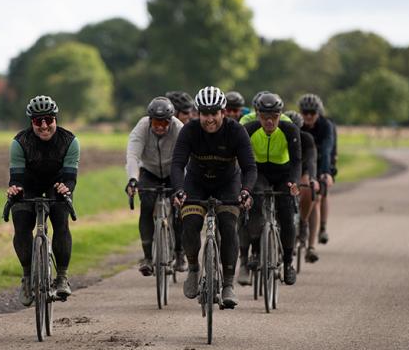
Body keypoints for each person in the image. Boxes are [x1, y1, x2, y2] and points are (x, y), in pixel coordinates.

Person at [171, 86, 256, 308]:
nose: (209, 119)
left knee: (228, 225)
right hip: (196, 182)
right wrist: (179, 189)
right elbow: (178, 164)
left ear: (223, 112)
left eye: (214, 113)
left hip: (228, 183)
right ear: (198, 113)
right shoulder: (189, 130)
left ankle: (228, 284)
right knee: (190, 223)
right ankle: (193, 269)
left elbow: (249, 167)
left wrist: (246, 191)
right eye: (205, 113)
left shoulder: (236, 131)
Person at [7, 95, 80, 306]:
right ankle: (28, 278)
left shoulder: (70, 141)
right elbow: (17, 178)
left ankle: (62, 277)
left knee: (61, 223)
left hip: (57, 184)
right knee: (21, 226)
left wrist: (66, 187)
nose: (44, 125)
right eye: (38, 121)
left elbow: (70, 177)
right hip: (28, 184)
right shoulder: (20, 142)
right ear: (32, 123)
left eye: (48, 119)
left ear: (55, 119)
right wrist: (15, 190)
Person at [238, 93, 301, 286]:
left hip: (283, 174)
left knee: (287, 214)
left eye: (274, 116)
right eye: (265, 116)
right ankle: (255, 252)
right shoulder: (248, 128)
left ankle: (288, 262)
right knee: (254, 205)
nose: (269, 120)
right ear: (257, 114)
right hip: (259, 172)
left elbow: (297, 160)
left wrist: (293, 182)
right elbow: (239, 159)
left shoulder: (289, 129)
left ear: (280, 114)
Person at [125, 96, 186, 276]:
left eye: (164, 123)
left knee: (179, 209)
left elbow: (187, 159)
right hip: (149, 172)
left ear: (170, 121)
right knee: (146, 207)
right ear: (150, 120)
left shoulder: (179, 129)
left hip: (173, 171)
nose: (160, 126)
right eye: (156, 122)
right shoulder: (142, 127)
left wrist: (184, 186)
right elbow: (133, 156)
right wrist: (132, 179)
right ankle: (148, 258)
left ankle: (179, 253)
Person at [298, 93, 336, 260]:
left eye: (312, 113)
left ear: (318, 113)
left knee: (319, 196)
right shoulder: (298, 125)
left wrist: (327, 172)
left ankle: (317, 236)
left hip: (322, 163)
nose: (308, 116)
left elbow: (328, 150)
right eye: (305, 113)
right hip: (303, 165)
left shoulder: (326, 126)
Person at [284, 110, 320, 249]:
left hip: (302, 170)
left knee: (308, 188)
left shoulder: (306, 139)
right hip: (284, 170)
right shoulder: (278, 137)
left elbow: (311, 161)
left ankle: (304, 222)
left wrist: (312, 178)